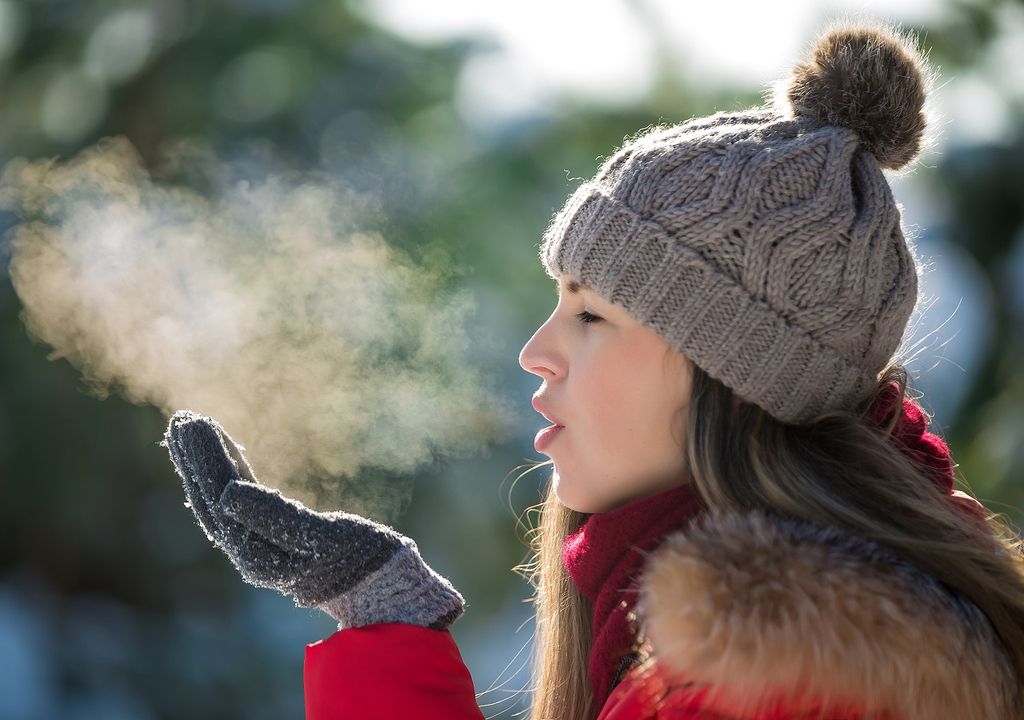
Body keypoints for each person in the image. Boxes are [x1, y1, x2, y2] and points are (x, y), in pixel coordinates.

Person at [163, 20, 1024, 720]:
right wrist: (382, 620)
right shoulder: (780, 637)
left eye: (590, 314)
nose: (536, 351)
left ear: (732, 371)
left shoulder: (776, 681)